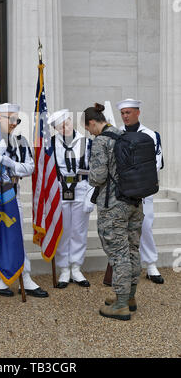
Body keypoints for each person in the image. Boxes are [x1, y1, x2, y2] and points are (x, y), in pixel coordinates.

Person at [0, 103, 48, 298]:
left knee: (17, 234)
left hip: (13, 192)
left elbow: (30, 167)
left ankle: (24, 275)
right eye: (11, 119)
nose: (15, 123)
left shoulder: (21, 141)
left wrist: (11, 164)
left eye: (17, 119)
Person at [84, 103, 144, 321]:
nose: (89, 133)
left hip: (114, 206)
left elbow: (98, 177)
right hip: (135, 203)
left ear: (92, 123)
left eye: (88, 129)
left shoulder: (101, 141)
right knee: (132, 250)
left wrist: (89, 175)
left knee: (118, 254)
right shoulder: (124, 135)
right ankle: (129, 297)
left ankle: (120, 305)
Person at [116, 98, 164, 284]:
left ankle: (151, 265)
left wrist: (136, 172)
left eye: (128, 112)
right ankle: (124, 267)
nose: (125, 116)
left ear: (137, 113)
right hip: (123, 191)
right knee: (122, 230)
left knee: (146, 227)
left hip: (144, 189)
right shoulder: (117, 134)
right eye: (123, 113)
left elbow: (157, 163)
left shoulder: (151, 135)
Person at [47, 109, 93, 288]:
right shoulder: (51, 144)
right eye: (60, 126)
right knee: (63, 230)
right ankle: (64, 268)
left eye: (66, 123)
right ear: (56, 129)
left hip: (81, 187)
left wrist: (91, 194)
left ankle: (76, 267)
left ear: (71, 121)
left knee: (79, 231)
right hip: (60, 189)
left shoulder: (86, 142)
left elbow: (93, 168)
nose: (65, 128)